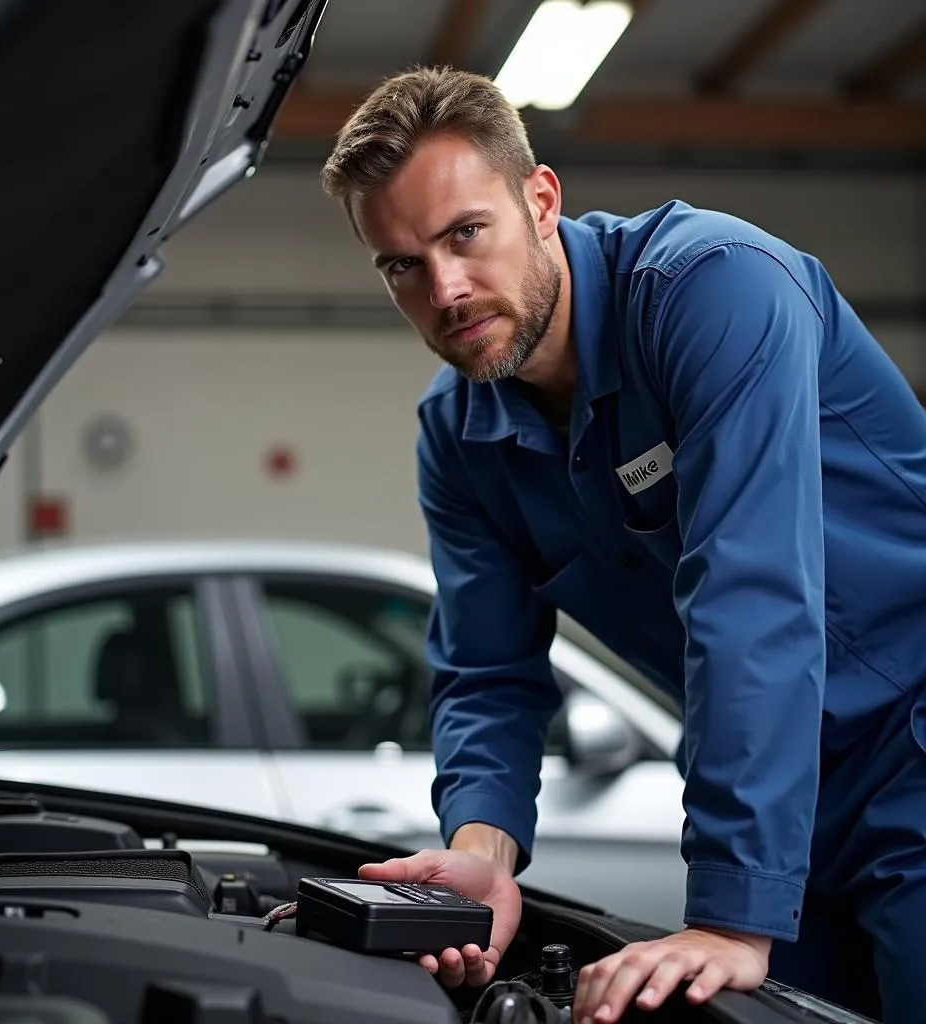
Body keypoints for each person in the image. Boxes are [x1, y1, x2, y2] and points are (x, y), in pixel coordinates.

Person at [319, 65, 926, 1024]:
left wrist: (729, 915)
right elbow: (486, 669)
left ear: (541, 199)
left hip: (911, 746)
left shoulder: (713, 290)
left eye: (464, 233)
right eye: (402, 264)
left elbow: (752, 594)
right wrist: (481, 849)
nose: (445, 289)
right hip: (783, 795)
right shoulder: (458, 436)